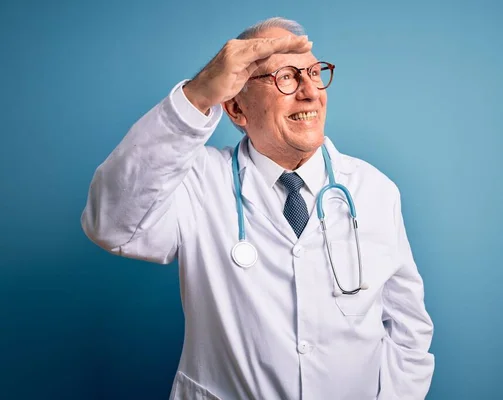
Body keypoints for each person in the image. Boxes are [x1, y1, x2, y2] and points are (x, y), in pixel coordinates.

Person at [81, 17, 434, 400]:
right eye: (286, 77)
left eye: (315, 73)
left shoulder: (375, 190)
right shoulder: (196, 181)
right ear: (236, 109)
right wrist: (197, 95)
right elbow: (112, 226)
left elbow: (408, 329)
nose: (310, 92)